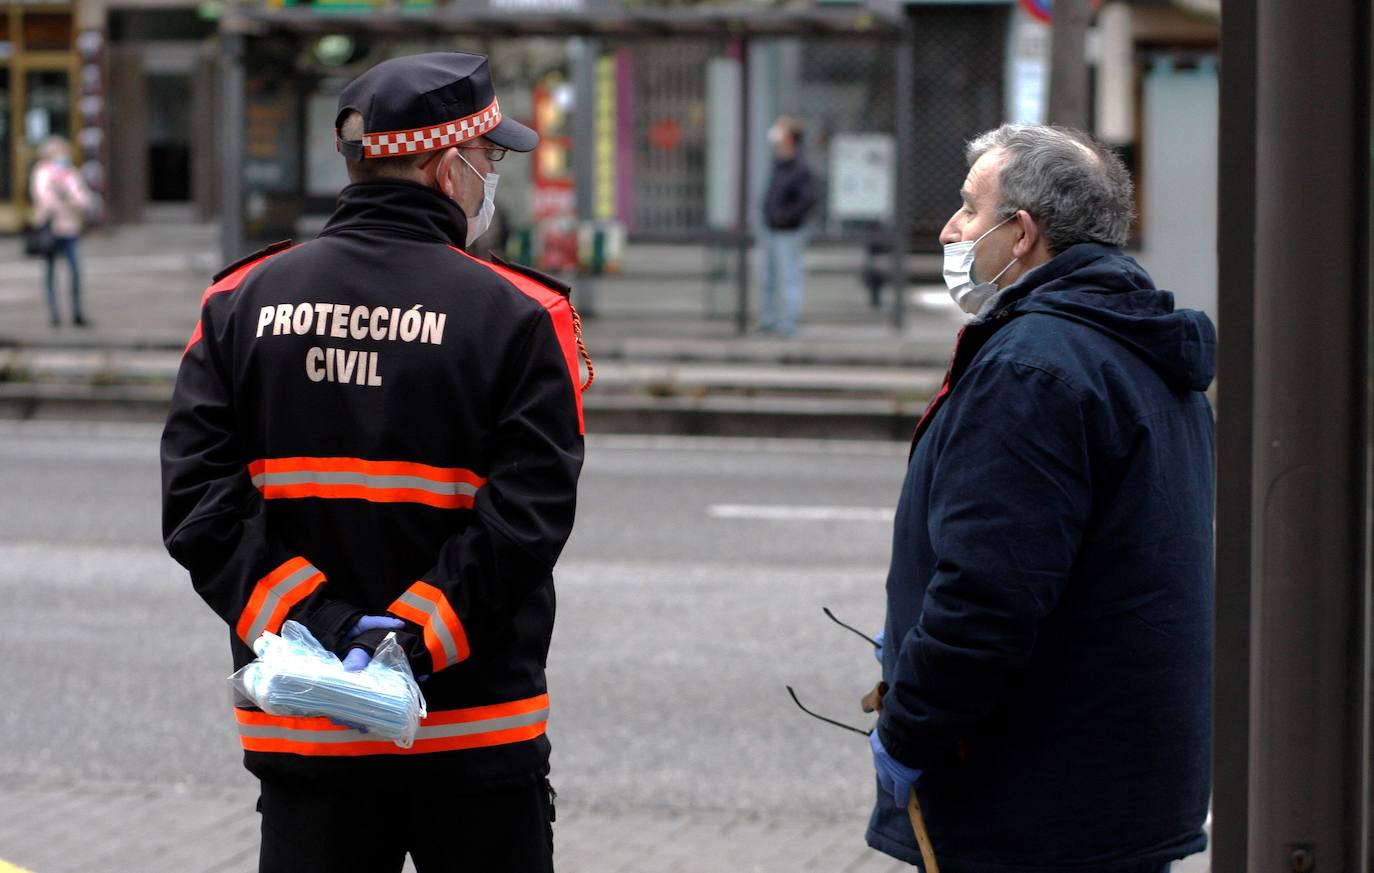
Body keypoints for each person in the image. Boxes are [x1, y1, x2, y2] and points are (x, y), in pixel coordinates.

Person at [161, 52, 589, 873]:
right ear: (443, 163)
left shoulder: (238, 303)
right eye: (490, 158)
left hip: (307, 730)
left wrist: (325, 629)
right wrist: (408, 639)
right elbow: (527, 522)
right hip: (473, 735)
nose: (490, 178)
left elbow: (200, 508)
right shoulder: (524, 316)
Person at [866, 124, 1214, 873]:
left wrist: (908, 730)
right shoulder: (1136, 345)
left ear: (1021, 233)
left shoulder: (1033, 368)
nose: (950, 228)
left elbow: (988, 594)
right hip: (1119, 787)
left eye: (968, 207)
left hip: (1033, 800)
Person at [758, 115, 817, 337]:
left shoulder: (799, 165)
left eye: (780, 130)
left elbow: (807, 199)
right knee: (769, 277)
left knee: (789, 277)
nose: (775, 133)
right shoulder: (780, 161)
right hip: (771, 229)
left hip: (788, 231)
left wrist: (785, 217)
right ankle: (770, 320)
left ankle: (788, 323)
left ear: (790, 137)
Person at [29, 136, 93, 328]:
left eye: (62, 152)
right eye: (57, 153)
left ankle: (76, 312)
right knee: (50, 271)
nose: (61, 156)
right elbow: (43, 197)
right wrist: (63, 200)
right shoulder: (41, 172)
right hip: (50, 229)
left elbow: (84, 199)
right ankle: (54, 313)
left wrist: (67, 195)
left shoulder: (71, 174)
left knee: (74, 270)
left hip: (69, 229)